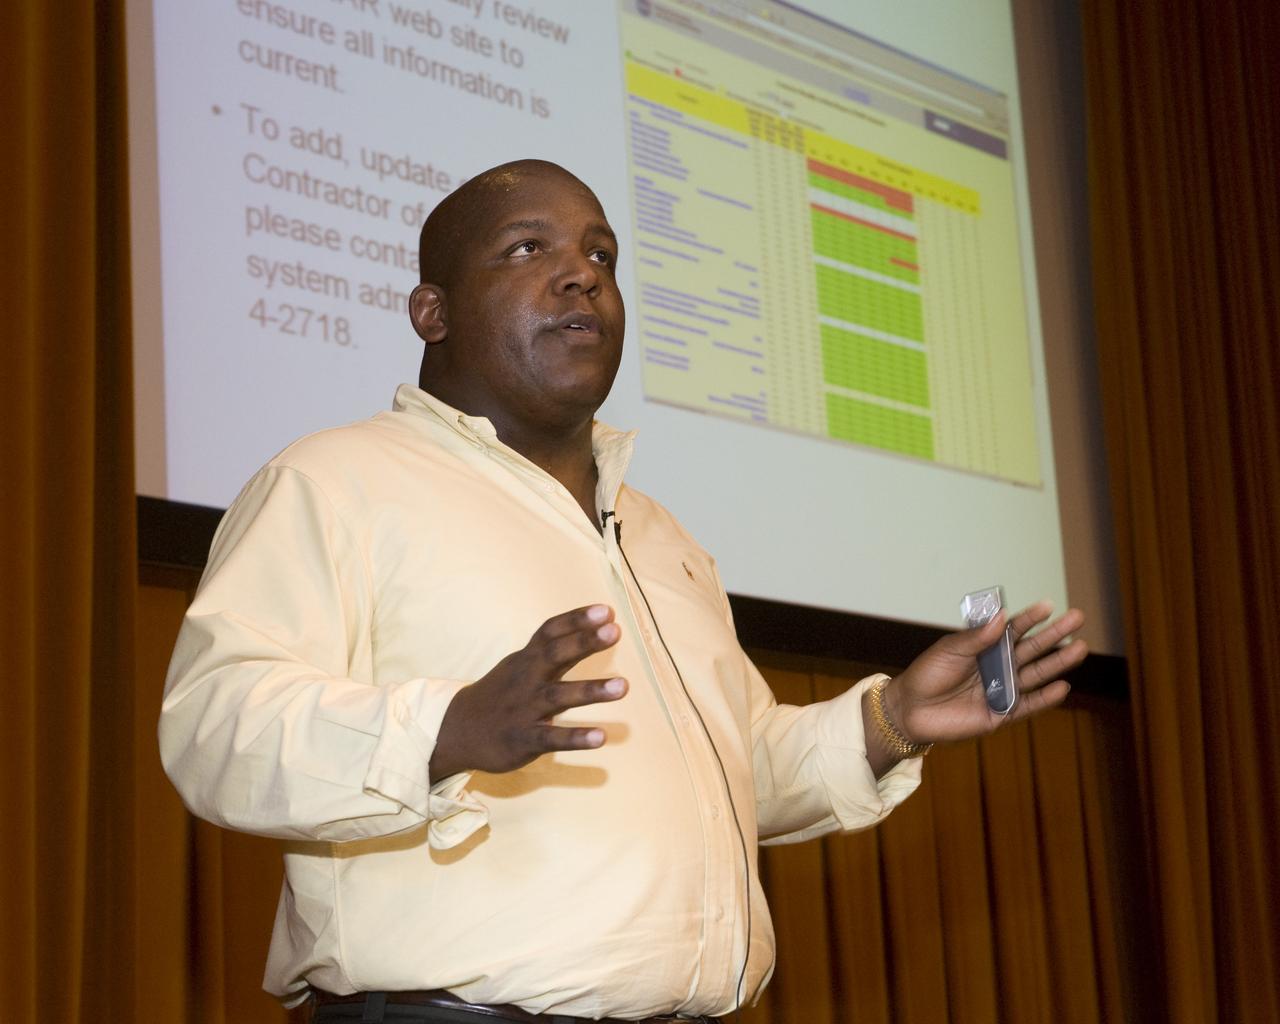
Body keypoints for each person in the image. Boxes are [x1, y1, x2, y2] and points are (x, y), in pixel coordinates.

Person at [159, 159, 1086, 1024]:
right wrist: (442, 730)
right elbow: (212, 725)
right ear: (431, 312)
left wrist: (890, 721)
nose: (582, 275)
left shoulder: (662, 535)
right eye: (530, 249)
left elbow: (739, 773)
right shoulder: (337, 480)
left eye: (600, 253)